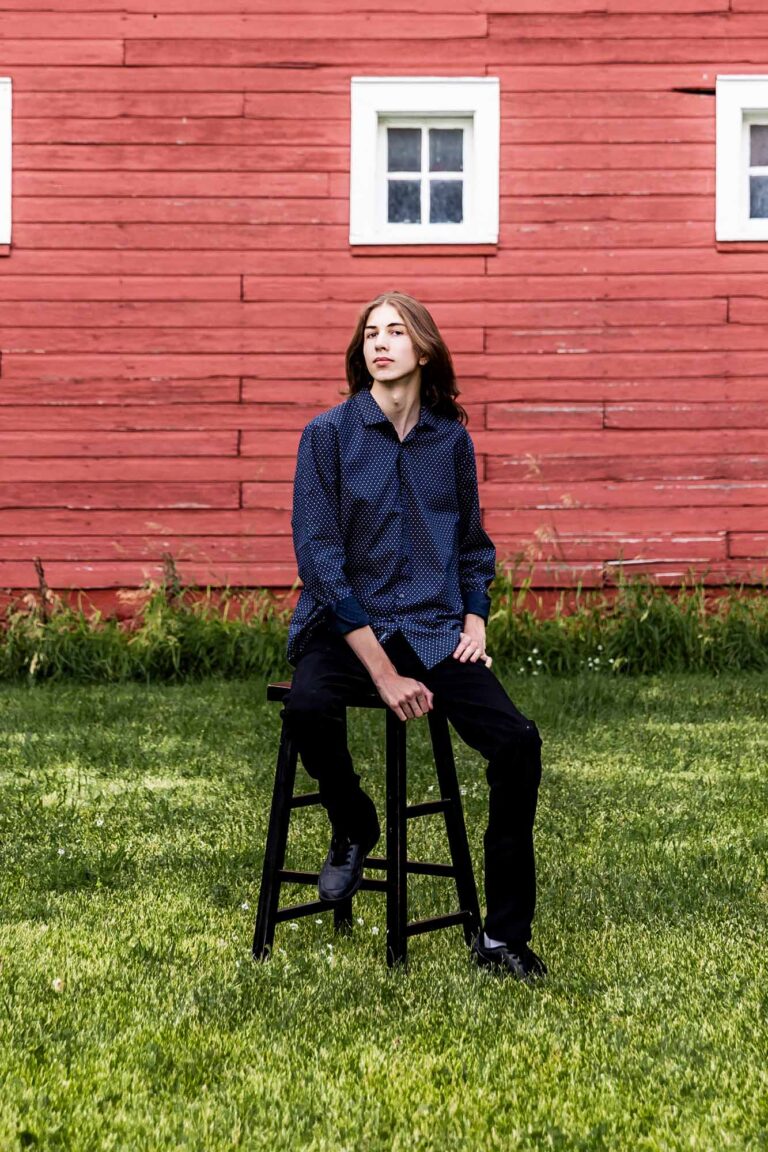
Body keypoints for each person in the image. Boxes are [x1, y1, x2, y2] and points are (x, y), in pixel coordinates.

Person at [283, 291, 546, 980]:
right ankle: (354, 822)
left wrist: (475, 620)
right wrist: (383, 674)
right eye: (371, 332)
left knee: (517, 743)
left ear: (423, 350)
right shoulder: (328, 436)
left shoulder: (450, 443)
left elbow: (472, 548)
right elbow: (322, 564)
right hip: (344, 632)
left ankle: (502, 939)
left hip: (431, 630)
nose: (381, 342)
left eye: (396, 332)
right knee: (309, 706)